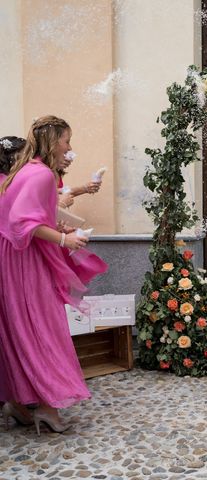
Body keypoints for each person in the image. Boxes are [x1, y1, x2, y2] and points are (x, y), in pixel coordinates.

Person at [0, 116, 107, 434]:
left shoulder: (27, 169)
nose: (70, 149)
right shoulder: (43, 174)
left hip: (15, 258)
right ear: (51, 143)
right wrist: (65, 239)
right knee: (41, 329)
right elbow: (21, 221)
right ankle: (46, 406)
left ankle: (21, 403)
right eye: (66, 141)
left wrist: (59, 227)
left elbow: (30, 215)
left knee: (22, 329)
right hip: (25, 262)